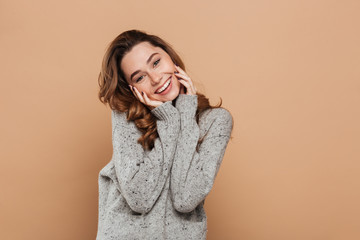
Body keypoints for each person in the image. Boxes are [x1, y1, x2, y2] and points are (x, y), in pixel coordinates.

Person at [96, 29, 233, 240]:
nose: (156, 78)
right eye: (140, 77)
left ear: (170, 56)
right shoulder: (127, 117)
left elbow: (185, 199)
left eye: (156, 62)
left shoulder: (215, 121)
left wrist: (185, 116)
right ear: (132, 88)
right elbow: (139, 197)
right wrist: (168, 122)